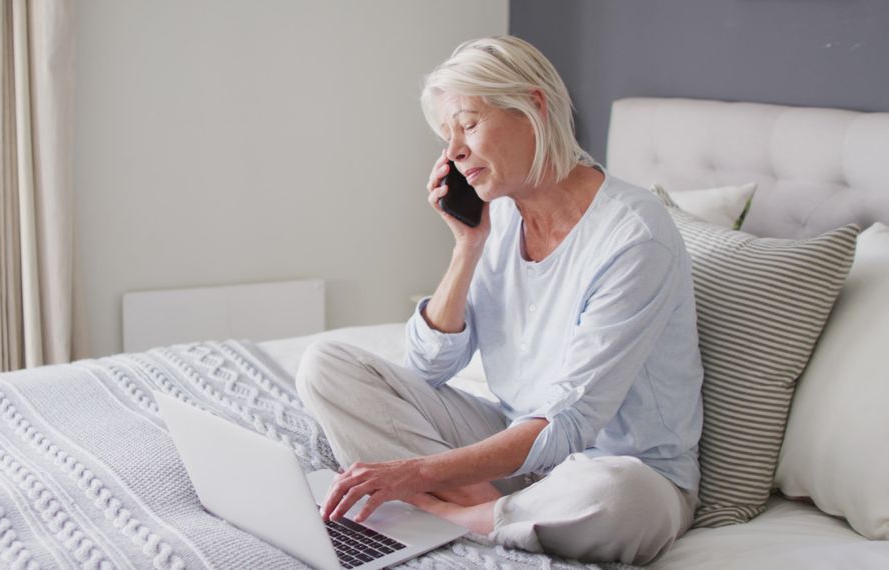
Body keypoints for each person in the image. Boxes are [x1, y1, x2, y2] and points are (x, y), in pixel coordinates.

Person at [295, 35, 703, 565]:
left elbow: (571, 422)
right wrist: (468, 246)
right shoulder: (502, 214)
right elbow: (427, 367)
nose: (455, 152)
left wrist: (415, 473)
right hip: (516, 442)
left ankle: (457, 517)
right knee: (326, 365)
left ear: (533, 107)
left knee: (618, 497)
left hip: (620, 466)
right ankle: (497, 509)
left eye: (468, 124)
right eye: (447, 135)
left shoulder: (634, 236)